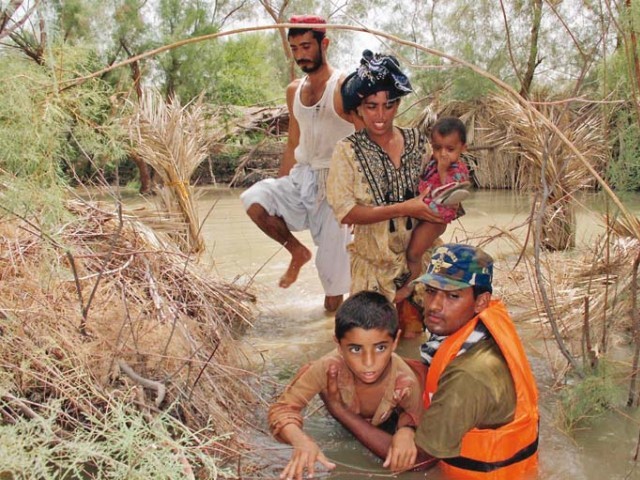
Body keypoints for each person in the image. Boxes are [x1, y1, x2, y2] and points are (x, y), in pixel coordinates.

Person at [321, 244, 540, 479]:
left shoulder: (468, 376)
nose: (434, 305)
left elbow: (418, 461)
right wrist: (407, 423)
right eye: (430, 291)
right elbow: (428, 371)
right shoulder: (476, 331)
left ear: (481, 301)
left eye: (452, 296)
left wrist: (340, 411)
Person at [240, 15, 357, 312]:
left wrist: (359, 199)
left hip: (338, 184)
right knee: (254, 200)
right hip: (302, 176)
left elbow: (365, 137)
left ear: (324, 43)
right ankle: (297, 251)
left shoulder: (344, 86)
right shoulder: (294, 90)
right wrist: (281, 183)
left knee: (333, 280)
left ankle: (331, 329)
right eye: (294, 48)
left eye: (306, 45)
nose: (301, 54)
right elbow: (293, 143)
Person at [326, 49, 445, 337]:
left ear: (398, 103)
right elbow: (346, 212)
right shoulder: (347, 151)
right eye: (371, 106)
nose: (380, 115)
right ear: (359, 108)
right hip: (373, 271)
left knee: (415, 344)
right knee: (372, 346)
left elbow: (436, 197)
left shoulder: (418, 142)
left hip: (419, 268)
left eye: (388, 105)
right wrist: (406, 208)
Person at [268, 291, 423, 480]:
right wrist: (300, 440)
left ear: (395, 341)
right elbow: (282, 409)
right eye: (356, 349)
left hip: (386, 419)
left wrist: (407, 430)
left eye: (380, 348)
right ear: (339, 345)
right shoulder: (327, 367)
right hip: (341, 410)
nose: (368, 362)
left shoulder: (405, 381)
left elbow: (414, 415)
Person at [394, 116, 471, 303]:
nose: (443, 154)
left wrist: (443, 170)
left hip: (435, 219)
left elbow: (450, 193)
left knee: (413, 253)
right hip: (424, 212)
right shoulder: (432, 161)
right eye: (437, 148)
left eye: (450, 149)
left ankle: (409, 286)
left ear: (463, 148)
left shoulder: (458, 169)